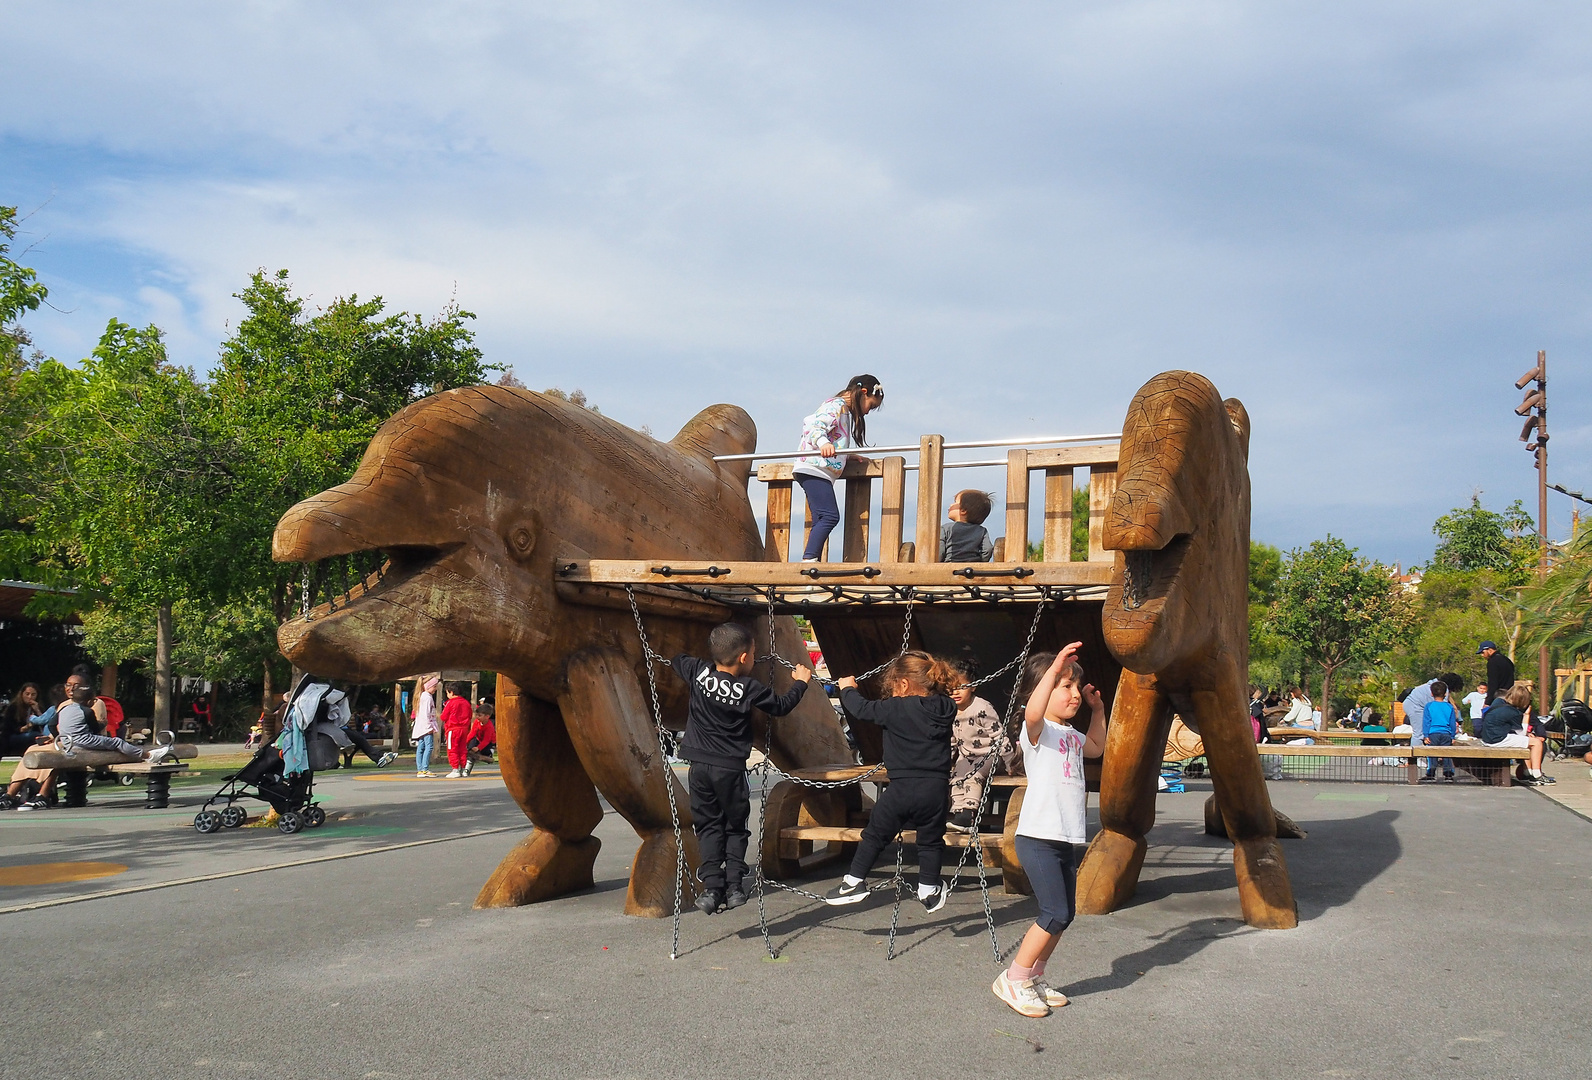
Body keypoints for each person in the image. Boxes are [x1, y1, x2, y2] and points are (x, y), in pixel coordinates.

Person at [992, 641, 1108, 1018]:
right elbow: (1032, 714)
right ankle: (1014, 977)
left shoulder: (1072, 736)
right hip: (1038, 838)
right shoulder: (1036, 733)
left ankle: (1034, 977)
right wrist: (1056, 663)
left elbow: (1096, 747)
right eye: (1065, 686)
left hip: (1064, 839)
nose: (1074, 694)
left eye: (1077, 687)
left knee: (1065, 914)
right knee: (1054, 912)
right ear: (1041, 691)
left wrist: (1097, 709)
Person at [668, 623, 813, 914]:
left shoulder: (698, 671)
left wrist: (705, 660)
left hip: (698, 767)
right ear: (745, 658)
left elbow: (676, 660)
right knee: (735, 826)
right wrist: (801, 682)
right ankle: (734, 885)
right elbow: (782, 705)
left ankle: (711, 886)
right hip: (730, 769)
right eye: (755, 653)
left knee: (708, 825)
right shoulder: (749, 688)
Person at [823, 650, 958, 913]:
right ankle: (929, 888)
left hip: (901, 789)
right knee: (930, 841)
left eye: (895, 686)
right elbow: (939, 699)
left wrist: (847, 688)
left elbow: (860, 709)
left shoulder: (896, 708)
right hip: (935, 790)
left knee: (875, 835)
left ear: (904, 684)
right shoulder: (946, 708)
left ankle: (853, 882)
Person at [792, 375, 884, 561]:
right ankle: (809, 560)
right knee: (829, 516)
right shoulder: (836, 405)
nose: (867, 412)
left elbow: (836, 441)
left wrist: (847, 456)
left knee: (821, 518)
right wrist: (823, 443)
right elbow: (813, 426)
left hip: (819, 470)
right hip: (814, 468)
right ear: (863, 393)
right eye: (871, 406)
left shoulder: (845, 412)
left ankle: (811, 559)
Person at [55, 676, 173, 765]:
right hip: (82, 742)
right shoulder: (87, 711)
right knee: (117, 742)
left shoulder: (63, 708)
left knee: (108, 742)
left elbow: (51, 724)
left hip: (67, 743)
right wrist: (102, 724)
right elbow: (95, 729)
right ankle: (148, 756)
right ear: (90, 701)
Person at [946, 665, 1002, 833]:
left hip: (988, 755)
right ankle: (958, 812)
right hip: (967, 755)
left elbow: (999, 735)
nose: (956, 692)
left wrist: (1009, 761)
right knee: (957, 776)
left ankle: (969, 813)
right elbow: (953, 739)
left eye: (961, 687)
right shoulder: (952, 709)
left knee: (973, 776)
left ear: (973, 686)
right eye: (952, 688)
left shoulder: (982, 707)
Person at [1478, 682, 1549, 785]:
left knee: (1528, 742)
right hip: (1497, 740)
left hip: (1487, 738)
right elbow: (1521, 734)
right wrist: (1526, 715)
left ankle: (1527, 772)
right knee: (1536, 743)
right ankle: (1537, 775)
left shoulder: (1498, 702)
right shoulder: (1514, 712)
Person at [940, 489, 995, 563]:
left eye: (955, 502)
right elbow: (987, 550)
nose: (951, 505)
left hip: (950, 567)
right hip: (971, 569)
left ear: (963, 510)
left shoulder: (946, 528)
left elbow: (940, 550)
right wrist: (980, 563)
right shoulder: (982, 531)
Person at [1420, 680, 1459, 782]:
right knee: (1446, 754)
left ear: (1431, 693)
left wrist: (1426, 735)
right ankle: (1448, 774)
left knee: (1432, 754)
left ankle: (1431, 774)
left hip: (1433, 733)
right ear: (1445, 693)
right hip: (1446, 733)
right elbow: (1452, 722)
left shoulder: (1429, 706)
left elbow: (1426, 721)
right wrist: (1452, 736)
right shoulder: (1449, 706)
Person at [441, 682, 474, 779]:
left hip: (453, 728)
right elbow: (470, 715)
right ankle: (463, 768)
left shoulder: (450, 703)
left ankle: (455, 768)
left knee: (452, 749)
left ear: (451, 692)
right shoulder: (466, 703)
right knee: (462, 748)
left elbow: (443, 716)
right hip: (464, 729)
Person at [411, 676, 441, 777]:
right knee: (429, 746)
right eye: (434, 686)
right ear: (428, 686)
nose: (435, 688)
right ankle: (425, 768)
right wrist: (429, 727)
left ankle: (420, 769)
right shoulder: (427, 697)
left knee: (421, 747)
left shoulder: (421, 696)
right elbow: (426, 714)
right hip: (426, 727)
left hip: (421, 727)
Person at [4, 682, 43, 759]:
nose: (30, 697)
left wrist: (38, 711)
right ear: (22, 694)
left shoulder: (37, 707)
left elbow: (44, 724)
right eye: (27, 694)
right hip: (14, 736)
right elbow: (11, 727)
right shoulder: (14, 707)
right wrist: (28, 726)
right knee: (35, 735)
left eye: (33, 694)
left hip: (31, 734)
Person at [463, 701, 497, 777]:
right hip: (479, 740)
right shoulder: (477, 722)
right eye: (477, 715)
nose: (477, 717)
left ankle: (489, 754)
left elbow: (487, 740)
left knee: (483, 748)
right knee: (471, 750)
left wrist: (478, 748)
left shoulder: (489, 726)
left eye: (479, 715)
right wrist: (465, 743)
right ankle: (467, 770)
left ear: (487, 716)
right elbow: (472, 733)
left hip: (488, 744)